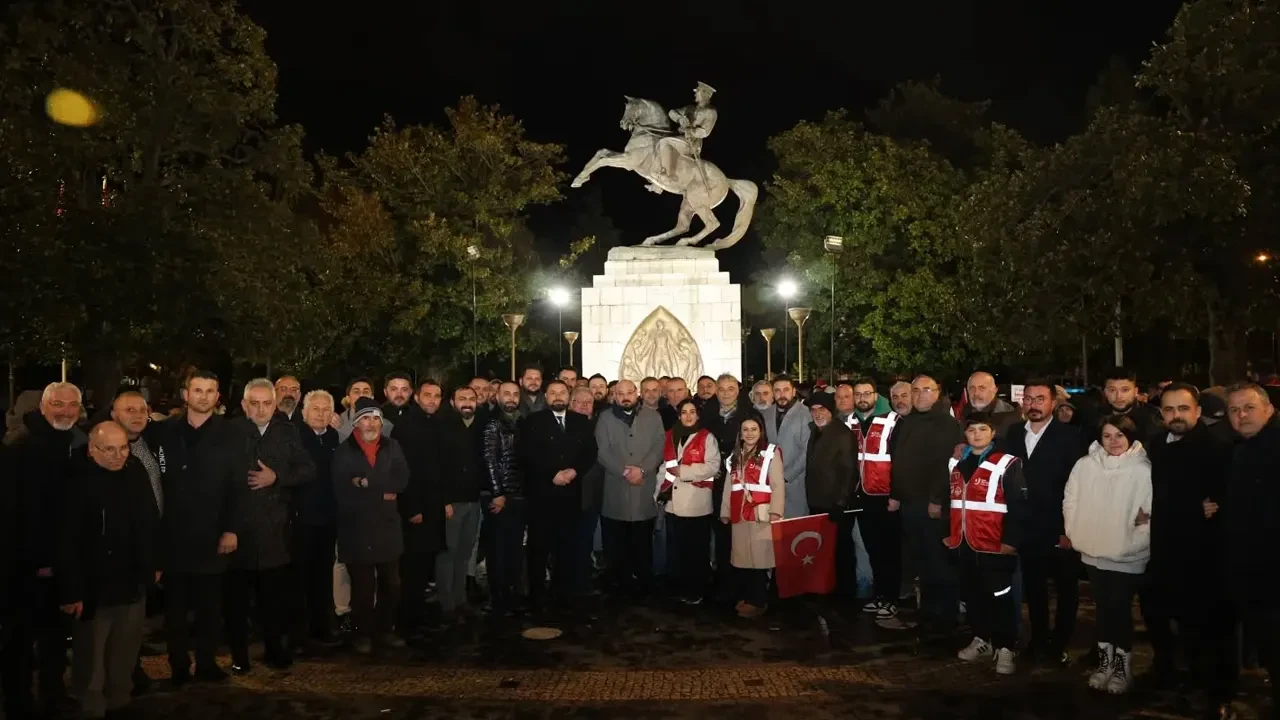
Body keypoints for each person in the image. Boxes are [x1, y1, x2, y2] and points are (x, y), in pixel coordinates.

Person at [1144, 383, 1235, 712]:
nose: (1176, 416)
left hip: (1201, 555)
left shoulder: (1217, 449)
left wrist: (1215, 505)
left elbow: (1227, 496)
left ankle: (1213, 691)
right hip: (1162, 549)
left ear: (1197, 411)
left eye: (1183, 409)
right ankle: (1172, 673)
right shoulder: (1156, 445)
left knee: (1204, 627)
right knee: (1161, 616)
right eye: (1169, 410)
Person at [58, 421, 157, 720]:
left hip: (131, 583)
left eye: (123, 448)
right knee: (91, 659)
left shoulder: (136, 471)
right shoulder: (75, 479)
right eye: (109, 449)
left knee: (124, 653)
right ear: (92, 449)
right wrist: (71, 590)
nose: (118, 455)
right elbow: (65, 540)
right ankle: (91, 708)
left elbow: (149, 521)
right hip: (92, 587)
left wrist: (152, 565)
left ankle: (120, 703)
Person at [0, 381, 87, 715]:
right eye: (58, 404)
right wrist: (36, 560)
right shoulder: (19, 446)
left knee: (55, 638)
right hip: (25, 565)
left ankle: (53, 694)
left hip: (62, 564)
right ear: (43, 406)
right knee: (20, 643)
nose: (65, 411)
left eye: (71, 405)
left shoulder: (76, 443)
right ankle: (18, 702)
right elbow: (16, 512)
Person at [224, 378, 316, 673]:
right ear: (244, 405)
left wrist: (277, 478)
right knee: (236, 603)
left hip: (275, 531)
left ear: (275, 404)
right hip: (237, 531)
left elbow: (308, 470)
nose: (261, 409)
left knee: (273, 601)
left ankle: (275, 651)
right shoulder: (230, 433)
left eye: (267, 403)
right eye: (255, 403)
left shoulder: (288, 432)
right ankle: (239, 657)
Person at [151, 370, 237, 685]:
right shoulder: (162, 431)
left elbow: (237, 485)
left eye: (209, 390)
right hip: (172, 533)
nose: (203, 396)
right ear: (186, 394)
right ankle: (177, 667)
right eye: (197, 390)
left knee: (209, 608)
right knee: (174, 610)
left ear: (218, 397)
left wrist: (231, 529)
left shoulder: (231, 434)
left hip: (212, 533)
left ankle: (206, 663)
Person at [1062, 415, 1152, 695]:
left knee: (1120, 610)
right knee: (1102, 609)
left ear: (1130, 436)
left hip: (1127, 555)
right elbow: (1071, 499)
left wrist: (1133, 542)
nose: (1114, 442)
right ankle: (1105, 663)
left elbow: (1147, 514)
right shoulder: (1085, 465)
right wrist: (1076, 532)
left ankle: (1123, 668)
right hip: (1093, 551)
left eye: (1119, 435)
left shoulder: (1142, 468)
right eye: (1107, 436)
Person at [999, 380, 1084, 665]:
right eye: (1029, 399)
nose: (1033, 405)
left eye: (1040, 399)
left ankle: (1059, 643)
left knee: (1065, 589)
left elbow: (1078, 486)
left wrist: (1068, 529)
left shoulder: (1071, 437)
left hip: (1059, 527)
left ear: (1052, 403)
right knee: (1034, 588)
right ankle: (1037, 638)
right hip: (1026, 527)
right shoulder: (1012, 433)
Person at [945, 413, 1028, 677]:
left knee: (1001, 598)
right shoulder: (958, 463)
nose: (977, 434)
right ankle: (982, 639)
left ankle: (1005, 647)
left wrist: (1011, 541)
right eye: (972, 430)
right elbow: (955, 503)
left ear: (993, 433)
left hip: (995, 545)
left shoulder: (1007, 463)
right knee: (974, 595)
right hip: (965, 544)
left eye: (983, 429)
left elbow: (1018, 505)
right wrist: (950, 535)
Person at [332, 398, 410, 654]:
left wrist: (366, 483)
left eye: (376, 418)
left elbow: (401, 480)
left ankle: (385, 630)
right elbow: (344, 491)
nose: (371, 423)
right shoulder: (344, 452)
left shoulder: (392, 446)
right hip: (358, 529)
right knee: (363, 589)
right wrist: (381, 490)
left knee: (392, 585)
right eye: (366, 417)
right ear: (356, 422)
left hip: (388, 529)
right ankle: (361, 633)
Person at [890, 375, 964, 636]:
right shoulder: (907, 421)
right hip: (910, 503)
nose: (921, 395)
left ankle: (944, 619)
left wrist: (936, 499)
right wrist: (895, 494)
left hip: (933, 506)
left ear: (937, 393)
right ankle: (928, 615)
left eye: (927, 390)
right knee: (920, 561)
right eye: (916, 390)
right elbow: (897, 458)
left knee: (939, 564)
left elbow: (946, 466)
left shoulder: (946, 423)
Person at [1223, 383, 1280, 712]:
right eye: (1234, 410)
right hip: (1254, 575)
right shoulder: (1244, 447)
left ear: (1269, 408)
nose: (1241, 415)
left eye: (1249, 408)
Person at [522, 380, 599, 613]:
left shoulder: (580, 422)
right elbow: (527, 455)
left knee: (566, 549)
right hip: (542, 497)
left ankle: (562, 594)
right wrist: (551, 475)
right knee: (539, 549)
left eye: (562, 393)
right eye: (553, 393)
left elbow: (590, 452)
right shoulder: (533, 422)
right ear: (546, 397)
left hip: (570, 496)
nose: (558, 397)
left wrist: (574, 471)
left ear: (568, 396)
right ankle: (537, 597)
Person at [109, 391, 164, 692]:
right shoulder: (108, 448)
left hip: (147, 543)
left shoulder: (150, 443)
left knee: (134, 618)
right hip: (117, 549)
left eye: (142, 409)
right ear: (114, 414)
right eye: (128, 409)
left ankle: (131, 670)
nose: (137, 415)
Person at [595, 380, 665, 595]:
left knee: (643, 539)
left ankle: (644, 581)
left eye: (629, 392)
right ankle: (618, 583)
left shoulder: (653, 417)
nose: (625, 396)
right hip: (616, 487)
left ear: (637, 394)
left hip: (643, 487)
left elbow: (659, 446)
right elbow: (601, 450)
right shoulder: (605, 418)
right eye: (620, 393)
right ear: (614, 395)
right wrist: (624, 472)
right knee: (616, 542)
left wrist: (642, 470)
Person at [390, 380, 445, 638]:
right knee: (412, 567)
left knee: (424, 566)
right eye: (427, 395)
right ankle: (406, 621)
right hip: (416, 509)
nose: (432, 400)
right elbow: (405, 471)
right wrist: (412, 508)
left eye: (437, 396)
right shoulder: (408, 425)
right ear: (417, 397)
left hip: (433, 507)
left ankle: (418, 615)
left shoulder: (435, 422)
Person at [843, 379, 903, 620]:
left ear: (876, 395)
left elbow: (900, 461)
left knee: (890, 550)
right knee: (873, 549)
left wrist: (896, 494)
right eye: (858, 394)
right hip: (861, 496)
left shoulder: (893, 421)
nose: (862, 398)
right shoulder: (851, 422)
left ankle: (892, 598)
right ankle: (879, 595)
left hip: (885, 496)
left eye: (867, 393)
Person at [720, 412, 783, 619]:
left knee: (760, 560)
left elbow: (777, 485)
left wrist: (776, 512)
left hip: (760, 514)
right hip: (739, 514)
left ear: (761, 431)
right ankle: (747, 597)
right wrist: (725, 511)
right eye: (745, 430)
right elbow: (729, 486)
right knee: (743, 560)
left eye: (753, 429)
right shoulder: (734, 457)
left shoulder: (771, 453)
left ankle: (759, 601)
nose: (749, 434)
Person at [657, 398, 720, 605]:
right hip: (673, 502)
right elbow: (663, 467)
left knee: (696, 550)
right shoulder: (670, 436)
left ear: (698, 414)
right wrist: (658, 492)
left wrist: (683, 471)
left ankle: (696, 590)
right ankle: (679, 587)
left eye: (692, 411)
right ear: (678, 415)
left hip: (696, 502)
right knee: (677, 548)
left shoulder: (706, 437)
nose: (688, 416)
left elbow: (713, 466)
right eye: (684, 412)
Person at [292, 390, 342, 650]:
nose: (321, 413)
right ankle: (299, 634)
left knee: (323, 576)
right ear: (304, 412)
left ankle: (321, 627)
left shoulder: (334, 437)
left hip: (328, 518)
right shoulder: (295, 438)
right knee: (300, 578)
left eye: (325, 409)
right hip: (302, 519)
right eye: (315, 409)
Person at [435, 386, 485, 623]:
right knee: (448, 554)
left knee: (464, 553)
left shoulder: (481, 425)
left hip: (473, 500)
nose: (467, 403)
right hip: (451, 502)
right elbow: (436, 467)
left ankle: (460, 599)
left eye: (471, 399)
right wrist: (443, 500)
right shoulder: (443, 426)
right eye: (462, 399)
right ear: (453, 402)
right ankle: (447, 604)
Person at [803, 393, 858, 599]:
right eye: (813, 410)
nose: (817, 413)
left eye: (822, 409)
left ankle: (845, 593)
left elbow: (849, 470)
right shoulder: (816, 431)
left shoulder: (842, 434)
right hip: (817, 501)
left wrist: (840, 502)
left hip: (835, 504)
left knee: (842, 550)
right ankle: (829, 589)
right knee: (825, 550)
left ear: (830, 411)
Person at [481, 382, 527, 615]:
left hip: (518, 496)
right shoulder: (493, 423)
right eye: (506, 394)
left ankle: (511, 594)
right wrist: (497, 493)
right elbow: (489, 460)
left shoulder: (520, 421)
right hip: (501, 497)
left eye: (515, 394)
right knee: (498, 550)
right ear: (497, 396)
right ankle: (498, 598)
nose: (511, 398)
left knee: (513, 549)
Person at [571, 386, 606, 595]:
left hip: (593, 495)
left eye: (589, 402)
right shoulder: (563, 427)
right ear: (571, 403)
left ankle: (583, 582)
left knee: (585, 541)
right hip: (568, 495)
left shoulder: (598, 427)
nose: (584, 406)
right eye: (579, 401)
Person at [761, 375, 811, 518]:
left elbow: (806, 450)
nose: (782, 394)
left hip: (795, 482)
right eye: (777, 390)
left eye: (786, 390)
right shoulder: (766, 413)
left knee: (795, 529)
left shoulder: (805, 414)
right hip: (769, 481)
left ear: (794, 391)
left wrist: (786, 476)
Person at [656, 81, 718, 181]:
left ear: (704, 94)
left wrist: (688, 130)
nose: (695, 94)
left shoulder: (710, 112)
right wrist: (679, 118)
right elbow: (672, 112)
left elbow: (704, 132)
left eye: (697, 91)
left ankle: (667, 174)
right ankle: (657, 185)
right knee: (659, 137)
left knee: (665, 142)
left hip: (691, 142)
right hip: (679, 137)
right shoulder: (689, 108)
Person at [1102, 368, 1163, 445]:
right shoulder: (1096, 418)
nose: (1118, 396)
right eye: (1112, 390)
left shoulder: (1151, 416)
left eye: (1125, 390)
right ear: (1105, 392)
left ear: (1135, 391)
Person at [961, 372, 1020, 436]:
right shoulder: (964, 412)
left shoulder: (1008, 414)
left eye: (982, 388)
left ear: (994, 390)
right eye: (972, 388)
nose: (976, 393)